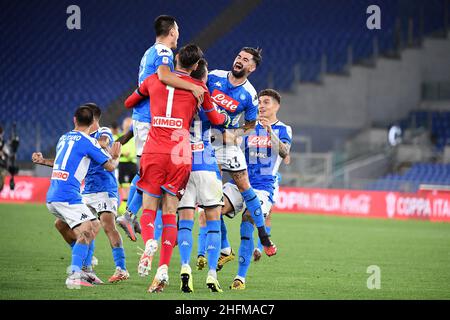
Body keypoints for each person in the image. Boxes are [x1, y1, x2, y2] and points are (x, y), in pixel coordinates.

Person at [124, 44, 230, 293]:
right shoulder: (199, 88)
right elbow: (216, 120)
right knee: (172, 210)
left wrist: (148, 96)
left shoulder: (153, 79)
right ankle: (162, 269)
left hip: (154, 148)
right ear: (195, 67)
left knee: (150, 207)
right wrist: (224, 118)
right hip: (180, 154)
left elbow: (130, 101)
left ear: (177, 59)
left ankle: (150, 240)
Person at [117, 15, 206, 242]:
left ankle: (137, 217)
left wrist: (127, 135)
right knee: (149, 172)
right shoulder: (164, 53)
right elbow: (164, 76)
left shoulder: (150, 51)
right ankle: (130, 216)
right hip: (151, 118)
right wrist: (192, 87)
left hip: (145, 118)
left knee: (149, 170)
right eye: (178, 30)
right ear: (173, 32)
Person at [33, 104, 129, 284]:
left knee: (100, 225)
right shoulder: (84, 140)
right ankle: (78, 271)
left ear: (75, 120)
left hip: (99, 190)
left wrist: (103, 146)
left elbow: (104, 141)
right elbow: (105, 161)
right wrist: (115, 156)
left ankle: (108, 268)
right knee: (82, 229)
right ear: (91, 120)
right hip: (76, 193)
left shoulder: (69, 137)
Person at [206, 47, 276, 270]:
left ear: (252, 68)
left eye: (245, 60)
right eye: (238, 57)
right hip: (203, 140)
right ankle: (225, 248)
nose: (239, 61)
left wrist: (234, 135)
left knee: (245, 186)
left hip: (226, 143)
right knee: (209, 199)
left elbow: (250, 124)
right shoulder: (214, 76)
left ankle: (263, 235)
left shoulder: (250, 94)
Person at [221, 89, 292, 290]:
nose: (261, 105)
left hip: (263, 187)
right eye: (259, 102)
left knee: (248, 219)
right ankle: (226, 248)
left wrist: (270, 133)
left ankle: (240, 278)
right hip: (239, 182)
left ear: (276, 106)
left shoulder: (284, 129)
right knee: (213, 207)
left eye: (266, 102)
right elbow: (227, 140)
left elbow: (285, 152)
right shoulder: (248, 129)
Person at [176, 58, 224, 293]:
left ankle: (185, 266)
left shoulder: (177, 99)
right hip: (206, 165)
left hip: (181, 166)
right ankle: (212, 274)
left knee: (185, 220)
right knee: (213, 221)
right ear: (204, 78)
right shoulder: (206, 99)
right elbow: (219, 121)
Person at [117, 117, 137, 215]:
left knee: (133, 185)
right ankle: (124, 205)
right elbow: (114, 150)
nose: (128, 125)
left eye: (130, 124)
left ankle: (130, 205)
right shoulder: (121, 137)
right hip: (123, 163)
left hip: (133, 164)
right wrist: (124, 154)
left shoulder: (134, 138)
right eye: (126, 124)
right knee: (125, 185)